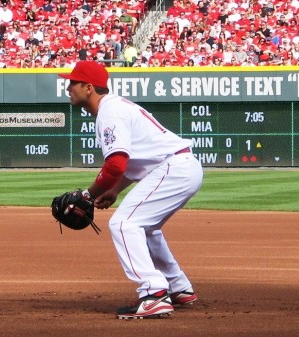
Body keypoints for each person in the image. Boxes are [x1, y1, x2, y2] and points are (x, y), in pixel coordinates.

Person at [58, 61, 203, 319]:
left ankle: (154, 294)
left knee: (124, 224)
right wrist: (115, 190)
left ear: (88, 87)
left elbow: (115, 164)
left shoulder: (110, 113)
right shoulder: (114, 107)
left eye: (72, 82)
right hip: (178, 167)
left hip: (173, 168)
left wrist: (88, 195)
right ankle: (178, 287)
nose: (68, 87)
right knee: (146, 227)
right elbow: (131, 163)